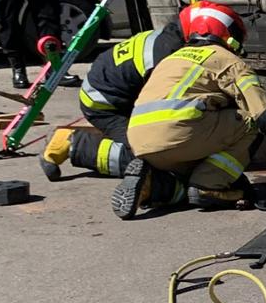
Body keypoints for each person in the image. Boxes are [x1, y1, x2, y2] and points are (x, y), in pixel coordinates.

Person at [112, 1, 266, 219]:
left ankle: (152, 183)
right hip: (182, 133)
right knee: (250, 121)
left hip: (140, 141)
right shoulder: (227, 60)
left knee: (188, 164)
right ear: (229, 35)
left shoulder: (170, 59)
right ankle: (209, 185)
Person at [38, 18, 184, 181]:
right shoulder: (167, 55)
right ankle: (72, 143)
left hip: (118, 95)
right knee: (152, 154)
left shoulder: (168, 38)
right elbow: (161, 104)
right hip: (104, 106)